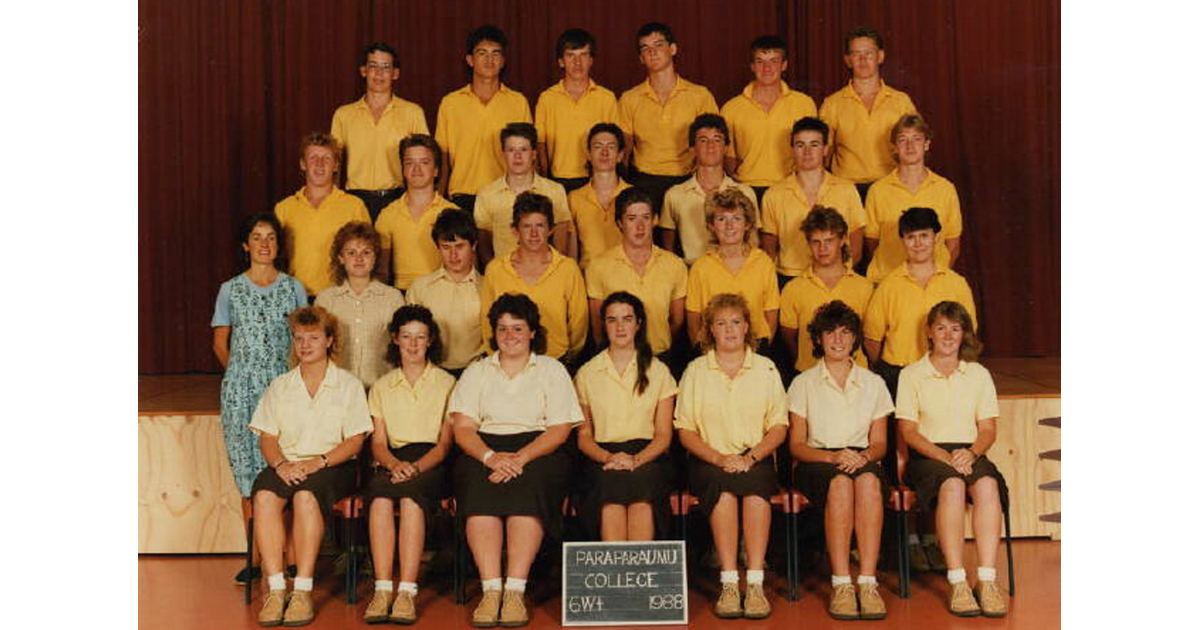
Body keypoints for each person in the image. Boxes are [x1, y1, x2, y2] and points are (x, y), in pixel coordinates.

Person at [449, 294, 584, 627]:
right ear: (493, 332)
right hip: (485, 448)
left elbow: (559, 429)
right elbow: (464, 428)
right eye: (503, 329)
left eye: (518, 328)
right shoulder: (477, 371)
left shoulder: (552, 370)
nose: (510, 336)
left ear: (533, 332)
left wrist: (521, 458)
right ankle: (491, 589)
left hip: (538, 448)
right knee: (478, 491)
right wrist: (491, 457)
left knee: (529, 488)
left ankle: (514, 590)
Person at [249, 306, 373, 627]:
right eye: (299, 338)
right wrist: (280, 465)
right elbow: (267, 437)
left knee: (306, 498)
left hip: (333, 464)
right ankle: (277, 590)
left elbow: (356, 441)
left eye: (314, 338)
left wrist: (318, 462)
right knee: (263, 497)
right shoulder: (281, 385)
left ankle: (302, 590)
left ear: (330, 340)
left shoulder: (348, 385)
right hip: (287, 463)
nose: (305, 345)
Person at [674, 293, 788, 620]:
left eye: (736, 322)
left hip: (755, 456)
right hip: (710, 459)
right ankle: (728, 581)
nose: (729, 330)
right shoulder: (696, 370)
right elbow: (685, 430)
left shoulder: (765, 368)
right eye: (721, 323)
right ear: (710, 329)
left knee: (755, 492)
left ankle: (754, 583)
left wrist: (751, 458)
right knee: (722, 491)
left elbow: (778, 427)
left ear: (747, 326)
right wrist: (718, 458)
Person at [211, 213, 308, 583]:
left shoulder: (293, 288)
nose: (264, 244)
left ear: (278, 245)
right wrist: (241, 373)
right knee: (249, 477)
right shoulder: (230, 289)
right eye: (256, 237)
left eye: (270, 237)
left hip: (283, 390)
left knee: (286, 470)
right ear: (245, 245)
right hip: (242, 393)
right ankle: (256, 558)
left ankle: (292, 557)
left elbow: (303, 340)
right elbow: (221, 343)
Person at [896, 301, 1007, 618]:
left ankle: (986, 580)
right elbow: (909, 431)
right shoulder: (912, 374)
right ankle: (958, 581)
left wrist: (971, 452)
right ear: (929, 332)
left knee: (986, 484)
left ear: (964, 335)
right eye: (941, 327)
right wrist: (945, 457)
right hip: (929, 453)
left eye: (955, 329)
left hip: (969, 450)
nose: (948, 335)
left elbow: (987, 429)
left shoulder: (978, 374)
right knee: (953, 486)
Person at [787, 300, 892, 620]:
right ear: (817, 339)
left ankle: (868, 582)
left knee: (871, 482)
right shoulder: (802, 382)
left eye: (846, 332)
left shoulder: (874, 383)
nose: (837, 339)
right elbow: (796, 445)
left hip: (862, 458)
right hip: (818, 460)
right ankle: (842, 583)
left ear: (856, 339)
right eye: (829, 332)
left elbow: (880, 443)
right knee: (841, 485)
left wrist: (864, 458)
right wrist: (832, 457)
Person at [362, 306, 457, 624]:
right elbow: (377, 443)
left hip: (431, 462)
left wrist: (415, 468)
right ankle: (382, 587)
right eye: (406, 337)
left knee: (411, 497)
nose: (413, 345)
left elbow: (445, 445)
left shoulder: (448, 383)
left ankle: (407, 591)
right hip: (392, 460)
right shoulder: (382, 386)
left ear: (430, 341)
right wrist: (394, 464)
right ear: (395, 340)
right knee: (379, 497)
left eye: (420, 337)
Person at [575, 292, 677, 541]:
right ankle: (615, 575)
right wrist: (610, 457)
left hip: (648, 455)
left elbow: (664, 435)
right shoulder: (587, 373)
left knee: (642, 489)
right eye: (612, 320)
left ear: (638, 323)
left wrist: (636, 460)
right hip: (601, 456)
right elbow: (584, 436)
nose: (620, 327)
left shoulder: (659, 371)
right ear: (604, 325)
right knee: (610, 489)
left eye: (627, 319)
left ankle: (638, 572)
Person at [863, 207, 976, 396]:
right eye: (910, 237)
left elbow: (968, 333)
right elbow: (872, 340)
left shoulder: (957, 284)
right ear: (903, 241)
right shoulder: (888, 286)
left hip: (945, 374)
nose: (918, 243)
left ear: (936, 237)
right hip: (899, 374)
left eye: (924, 236)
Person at [618, 22, 719, 212]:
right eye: (645, 48)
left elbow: (713, 144)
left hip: (688, 181)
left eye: (658, 45)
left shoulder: (700, 95)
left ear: (672, 49)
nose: (652, 52)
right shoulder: (629, 99)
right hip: (645, 183)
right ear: (641, 58)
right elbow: (624, 152)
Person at [480, 192, 588, 366]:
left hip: (556, 360)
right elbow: (487, 325)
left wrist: (566, 358)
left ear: (551, 229)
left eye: (540, 226)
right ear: (515, 230)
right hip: (508, 362)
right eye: (526, 226)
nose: (534, 234)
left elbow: (578, 324)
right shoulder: (495, 270)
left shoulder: (568, 269)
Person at [435, 25, 533, 215]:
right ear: (470, 60)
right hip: (462, 197)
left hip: (507, 195)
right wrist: (439, 199)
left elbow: (529, 155)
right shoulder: (450, 103)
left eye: (496, 54)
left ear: (503, 61)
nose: (489, 59)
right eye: (482, 53)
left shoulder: (518, 102)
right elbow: (443, 158)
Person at [330, 42, 430, 221]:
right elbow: (334, 164)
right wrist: (334, 202)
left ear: (395, 74)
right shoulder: (343, 115)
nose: (379, 73)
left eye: (386, 67)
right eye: (373, 66)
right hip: (355, 199)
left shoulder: (413, 113)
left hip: (398, 199)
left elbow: (426, 160)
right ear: (363, 71)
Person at [585, 187, 687, 361]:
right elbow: (597, 323)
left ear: (655, 220)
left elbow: (676, 321)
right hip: (616, 358)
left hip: (661, 358)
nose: (640, 226)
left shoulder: (675, 265)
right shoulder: (598, 266)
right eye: (631, 219)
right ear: (619, 223)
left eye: (646, 218)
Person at [818, 26, 919, 199]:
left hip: (891, 187)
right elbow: (822, 155)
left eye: (869, 53)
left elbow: (915, 148)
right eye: (856, 54)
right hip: (847, 191)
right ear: (848, 60)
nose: (863, 60)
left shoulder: (901, 101)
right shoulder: (832, 104)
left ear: (880, 56)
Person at [761, 117, 866, 279]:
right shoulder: (773, 194)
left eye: (814, 145)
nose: (807, 151)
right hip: (790, 277)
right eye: (800, 145)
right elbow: (769, 249)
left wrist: (840, 274)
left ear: (825, 149)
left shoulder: (847, 190)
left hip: (837, 277)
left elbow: (856, 245)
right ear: (792, 150)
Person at [863, 114, 963, 283]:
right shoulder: (878, 190)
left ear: (926, 144)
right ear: (894, 147)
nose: (910, 146)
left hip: (932, 282)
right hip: (887, 281)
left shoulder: (945, 189)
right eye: (902, 140)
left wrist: (933, 277)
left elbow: (952, 243)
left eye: (916, 139)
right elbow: (872, 242)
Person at [719, 35, 818, 202]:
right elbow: (728, 156)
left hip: (790, 189)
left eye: (773, 61)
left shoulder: (804, 104)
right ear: (752, 66)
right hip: (746, 189)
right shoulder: (731, 108)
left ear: (784, 65)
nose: (767, 68)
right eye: (760, 61)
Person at [274, 132, 371, 296]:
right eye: (313, 158)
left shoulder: (354, 206)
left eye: (326, 158)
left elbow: (368, 255)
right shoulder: (284, 208)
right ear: (303, 164)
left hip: (340, 297)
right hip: (297, 296)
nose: (319, 164)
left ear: (336, 165)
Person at [779, 207, 874, 374]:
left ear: (843, 239)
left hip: (857, 376)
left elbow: (870, 336)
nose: (822, 248)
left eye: (829, 240)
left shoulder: (864, 287)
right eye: (816, 241)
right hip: (810, 376)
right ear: (808, 243)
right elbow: (790, 338)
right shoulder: (793, 289)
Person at [313, 221, 406, 388]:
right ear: (341, 258)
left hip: (381, 389)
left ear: (375, 257)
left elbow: (402, 349)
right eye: (351, 252)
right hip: (337, 391)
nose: (359, 258)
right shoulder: (326, 300)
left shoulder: (393, 298)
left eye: (366, 252)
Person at [685, 188, 778, 351]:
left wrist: (760, 348)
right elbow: (694, 320)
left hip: (757, 347)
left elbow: (771, 313)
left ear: (747, 224)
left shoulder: (763, 263)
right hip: (712, 348)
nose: (729, 226)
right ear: (711, 226)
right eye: (721, 219)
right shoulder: (701, 267)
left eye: (737, 218)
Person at [660, 114, 760, 265]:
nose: (711, 146)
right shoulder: (675, 195)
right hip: (692, 271)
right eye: (703, 140)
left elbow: (753, 242)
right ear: (692, 148)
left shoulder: (745, 193)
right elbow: (668, 250)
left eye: (717, 140)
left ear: (726, 148)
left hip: (735, 272)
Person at [474, 123, 573, 266]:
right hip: (503, 275)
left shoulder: (555, 191)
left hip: (545, 273)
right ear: (503, 154)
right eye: (511, 150)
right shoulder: (486, 194)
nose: (517, 156)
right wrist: (497, 272)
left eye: (523, 150)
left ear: (534, 154)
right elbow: (483, 244)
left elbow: (561, 242)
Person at [534, 28, 620, 192]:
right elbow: (540, 143)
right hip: (557, 180)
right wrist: (545, 180)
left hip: (597, 179)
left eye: (584, 55)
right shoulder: (547, 98)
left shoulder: (606, 98)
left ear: (591, 60)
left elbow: (614, 142)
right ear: (561, 61)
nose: (577, 62)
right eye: (570, 55)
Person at [374, 134, 460, 291]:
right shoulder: (388, 214)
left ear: (435, 171)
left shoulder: (452, 212)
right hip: (402, 295)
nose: (416, 169)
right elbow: (381, 272)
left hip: (442, 292)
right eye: (409, 163)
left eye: (424, 162)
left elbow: (465, 267)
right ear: (403, 170)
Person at [406, 209, 485, 375]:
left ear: (474, 245)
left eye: (460, 246)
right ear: (438, 248)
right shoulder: (420, 288)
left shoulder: (487, 287)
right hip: (431, 374)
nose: (453, 255)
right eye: (446, 247)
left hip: (477, 372)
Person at [569, 123, 631, 269]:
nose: (604, 152)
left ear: (620, 156)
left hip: (626, 277)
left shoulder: (634, 196)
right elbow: (572, 253)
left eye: (611, 147)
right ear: (589, 154)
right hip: (588, 277)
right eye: (597, 147)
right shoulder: (574, 198)